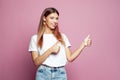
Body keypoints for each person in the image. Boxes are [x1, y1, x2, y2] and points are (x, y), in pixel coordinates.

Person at [28, 7, 92, 80]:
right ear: (44, 18)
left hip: (60, 74)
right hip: (43, 73)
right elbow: (36, 62)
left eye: (57, 18)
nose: (55, 21)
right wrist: (50, 50)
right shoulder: (35, 38)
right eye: (52, 18)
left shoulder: (62, 37)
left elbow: (70, 58)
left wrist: (83, 44)